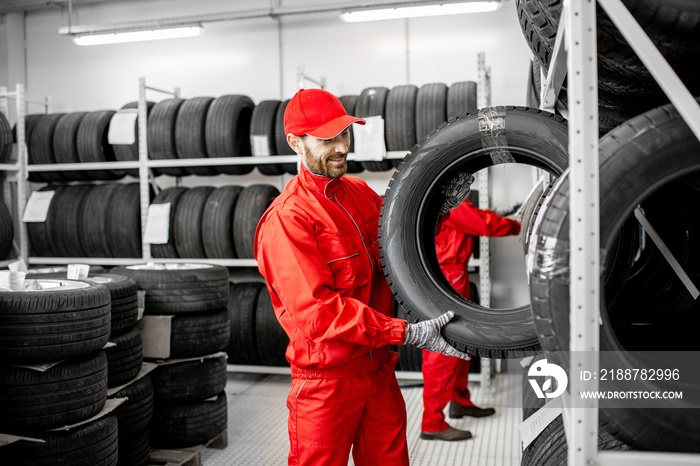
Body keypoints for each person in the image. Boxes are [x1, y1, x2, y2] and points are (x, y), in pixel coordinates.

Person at [254, 88, 470, 466]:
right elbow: (318, 314)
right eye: (326, 139)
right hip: (327, 383)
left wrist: (438, 209)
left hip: (379, 373)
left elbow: (400, 246)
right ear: (295, 142)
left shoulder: (358, 193)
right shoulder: (288, 220)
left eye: (345, 134)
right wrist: (405, 332)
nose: (341, 147)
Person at [420, 199, 521, 441]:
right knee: (442, 351)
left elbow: (473, 215)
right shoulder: (446, 197)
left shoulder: (452, 197)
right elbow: (481, 224)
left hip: (454, 274)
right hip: (447, 277)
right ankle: (432, 423)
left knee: (460, 342)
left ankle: (459, 401)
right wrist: (516, 225)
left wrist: (496, 213)